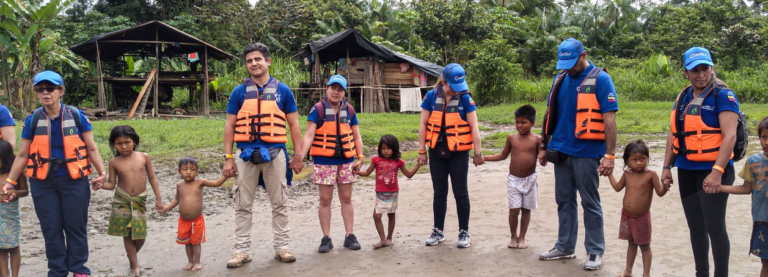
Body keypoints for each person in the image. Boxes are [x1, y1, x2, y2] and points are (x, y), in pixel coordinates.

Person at [1, 71, 107, 277]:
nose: (45, 93)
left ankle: (78, 269)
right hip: (43, 182)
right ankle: (57, 271)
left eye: (50, 88)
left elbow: (92, 148)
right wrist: (10, 181)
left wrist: (102, 172)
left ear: (61, 91)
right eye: (40, 89)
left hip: (74, 180)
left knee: (75, 226)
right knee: (51, 228)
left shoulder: (76, 116)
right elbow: (22, 154)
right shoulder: (32, 121)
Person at [537, 38, 618, 271]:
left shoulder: (601, 79)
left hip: (587, 151)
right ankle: (564, 246)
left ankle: (594, 251)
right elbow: (549, 113)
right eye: (564, 63)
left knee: (590, 202)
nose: (568, 67)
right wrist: (544, 145)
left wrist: (609, 156)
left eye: (572, 62)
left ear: (584, 55)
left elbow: (609, 118)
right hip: (561, 151)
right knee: (564, 201)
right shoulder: (560, 79)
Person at [223, 43, 304, 267]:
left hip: (275, 153)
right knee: (242, 204)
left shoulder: (283, 90)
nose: (253, 64)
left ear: (268, 61)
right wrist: (228, 157)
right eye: (249, 61)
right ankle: (241, 252)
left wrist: (298, 155)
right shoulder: (239, 92)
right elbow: (229, 127)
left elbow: (294, 125)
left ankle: (282, 248)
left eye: (257, 59)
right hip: (245, 154)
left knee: (279, 202)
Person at [661, 47, 739, 277]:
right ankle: (701, 273)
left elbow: (730, 136)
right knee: (696, 228)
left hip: (714, 172)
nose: (701, 74)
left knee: (714, 227)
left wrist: (716, 172)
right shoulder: (683, 98)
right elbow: (673, 134)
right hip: (686, 171)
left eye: (705, 68)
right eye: (695, 70)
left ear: (712, 68)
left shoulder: (723, 96)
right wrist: (667, 167)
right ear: (685, 72)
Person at [417, 63, 483, 248]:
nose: (455, 91)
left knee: (461, 193)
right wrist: (422, 150)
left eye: (458, 87)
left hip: (459, 153)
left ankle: (464, 232)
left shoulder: (465, 99)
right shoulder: (431, 97)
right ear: (442, 82)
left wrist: (478, 152)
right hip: (436, 151)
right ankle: (438, 230)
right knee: (439, 193)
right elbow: (423, 125)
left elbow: (474, 126)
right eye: (452, 87)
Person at [297, 75, 365, 253]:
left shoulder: (349, 110)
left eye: (340, 89)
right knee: (325, 200)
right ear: (326, 89)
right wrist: (299, 157)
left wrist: (361, 157)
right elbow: (309, 136)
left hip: (346, 162)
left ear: (344, 92)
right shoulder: (317, 110)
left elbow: (356, 136)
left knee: (347, 198)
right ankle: (326, 238)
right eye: (333, 88)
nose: (336, 92)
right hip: (323, 161)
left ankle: (349, 235)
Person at [96, 125, 164, 276]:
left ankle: (131, 255)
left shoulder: (143, 157)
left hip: (140, 200)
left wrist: (158, 199)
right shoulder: (114, 162)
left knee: (140, 235)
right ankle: (135, 265)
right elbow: (111, 184)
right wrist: (100, 185)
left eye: (127, 142)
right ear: (114, 144)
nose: (124, 146)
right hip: (121, 200)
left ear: (134, 141)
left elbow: (152, 178)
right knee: (127, 234)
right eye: (119, 143)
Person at [704, 116, 768, 277]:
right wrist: (719, 187)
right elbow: (746, 189)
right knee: (766, 262)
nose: (766, 142)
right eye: (764, 137)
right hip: (762, 220)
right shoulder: (753, 162)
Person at [483, 105, 542, 249]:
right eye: (517, 122)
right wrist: (485, 158)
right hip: (514, 180)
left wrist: (544, 158)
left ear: (532, 123)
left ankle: (522, 238)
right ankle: (513, 237)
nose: (519, 126)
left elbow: (543, 156)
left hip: (530, 180)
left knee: (526, 209)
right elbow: (503, 155)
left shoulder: (537, 140)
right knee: (514, 210)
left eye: (523, 122)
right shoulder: (511, 138)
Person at [608, 140, 669, 277]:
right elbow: (618, 188)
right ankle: (628, 271)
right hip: (627, 216)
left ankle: (646, 274)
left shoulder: (651, 174)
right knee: (631, 243)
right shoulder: (627, 174)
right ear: (627, 161)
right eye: (634, 160)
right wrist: (610, 175)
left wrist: (665, 186)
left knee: (645, 246)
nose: (639, 163)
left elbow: (659, 192)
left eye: (642, 159)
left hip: (641, 218)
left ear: (647, 158)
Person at [161, 156, 229, 271]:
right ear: (179, 171)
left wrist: (226, 175)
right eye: (185, 169)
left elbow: (216, 183)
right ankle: (190, 261)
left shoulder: (200, 182)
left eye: (192, 169)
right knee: (187, 242)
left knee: (196, 242)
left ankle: (197, 262)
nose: (188, 172)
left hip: (196, 221)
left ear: (197, 171)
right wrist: (166, 208)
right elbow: (177, 200)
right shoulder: (179, 185)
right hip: (183, 221)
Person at [357, 135, 421, 249]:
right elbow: (367, 172)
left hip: (393, 193)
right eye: (383, 148)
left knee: (391, 215)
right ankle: (383, 239)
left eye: (388, 148)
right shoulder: (376, 160)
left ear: (394, 149)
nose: (385, 151)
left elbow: (409, 175)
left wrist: (418, 164)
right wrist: (356, 172)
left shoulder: (398, 162)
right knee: (376, 216)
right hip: (380, 193)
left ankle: (389, 238)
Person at [0, 140, 28, 277]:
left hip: (11, 215)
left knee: (14, 247)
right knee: (1, 249)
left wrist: (14, 193)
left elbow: (25, 192)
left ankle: (15, 275)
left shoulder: (16, 174)